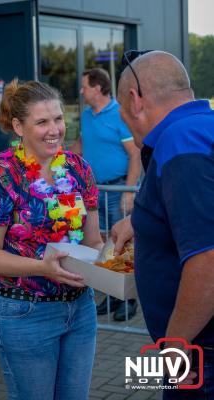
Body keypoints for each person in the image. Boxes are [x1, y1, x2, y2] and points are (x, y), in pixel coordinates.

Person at [0, 79, 104, 400]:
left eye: (58, 118)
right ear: (18, 126)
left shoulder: (78, 169)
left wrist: (109, 265)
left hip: (80, 310)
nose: (54, 129)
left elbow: (93, 241)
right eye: (42, 121)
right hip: (24, 314)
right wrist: (42, 267)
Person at [112, 50, 214, 399]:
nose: (128, 124)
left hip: (201, 353)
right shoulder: (203, 128)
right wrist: (140, 221)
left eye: (123, 115)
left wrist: (175, 345)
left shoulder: (179, 142)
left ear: (134, 99)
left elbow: (208, 260)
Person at [71, 68, 140, 321]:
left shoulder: (119, 114)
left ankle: (129, 300)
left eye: (84, 86)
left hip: (117, 188)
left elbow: (134, 154)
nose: (81, 91)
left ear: (98, 88)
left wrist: (129, 191)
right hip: (93, 190)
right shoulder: (87, 115)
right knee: (101, 244)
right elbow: (80, 144)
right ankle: (111, 295)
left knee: (122, 245)